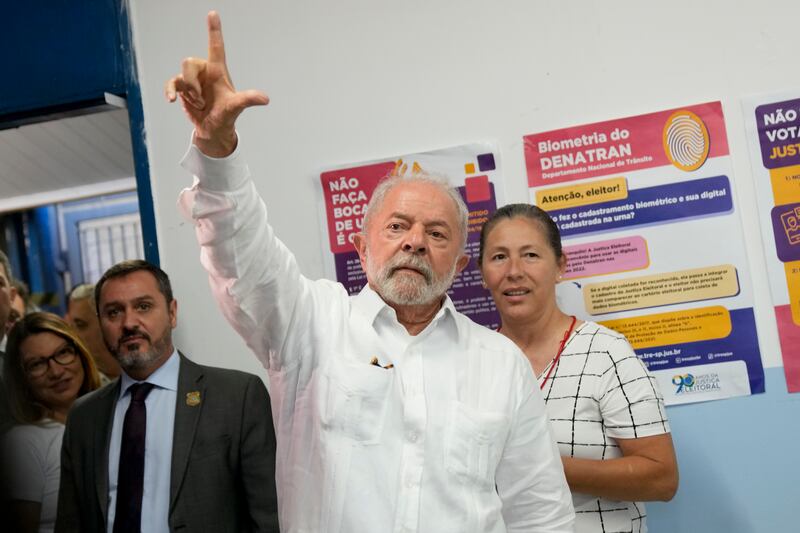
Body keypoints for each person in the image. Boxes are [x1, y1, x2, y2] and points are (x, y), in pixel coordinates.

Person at [165, 11, 574, 533]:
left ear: (460, 263)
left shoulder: (501, 365)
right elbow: (243, 257)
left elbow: (541, 514)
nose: (415, 242)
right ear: (361, 247)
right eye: (398, 225)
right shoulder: (309, 323)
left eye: (437, 233)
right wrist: (217, 152)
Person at [478, 203, 679, 533]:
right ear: (483, 273)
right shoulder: (475, 360)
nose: (513, 270)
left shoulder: (606, 353)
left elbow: (662, 478)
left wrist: (538, 465)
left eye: (530, 255)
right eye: (499, 257)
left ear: (560, 266)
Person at [55, 260, 279, 532]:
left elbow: (268, 517)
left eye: (143, 306)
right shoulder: (84, 417)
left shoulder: (236, 397)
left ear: (172, 313)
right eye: (114, 312)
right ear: (101, 324)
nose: (128, 323)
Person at [2, 312, 101, 533]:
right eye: (37, 364)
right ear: (21, 378)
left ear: (80, 354)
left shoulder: (107, 419)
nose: (56, 371)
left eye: (63, 353)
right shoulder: (23, 441)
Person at [65, 284, 121, 384]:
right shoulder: (73, 383)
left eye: (80, 325)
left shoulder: (142, 369)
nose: (73, 335)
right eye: (71, 326)